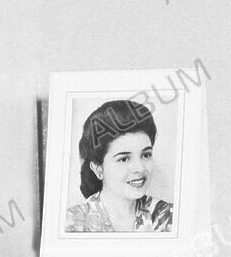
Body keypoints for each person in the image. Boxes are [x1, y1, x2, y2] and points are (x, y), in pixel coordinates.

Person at [65, 99, 173, 233]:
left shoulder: (167, 216)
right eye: (124, 159)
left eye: (146, 155)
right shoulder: (72, 224)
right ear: (98, 168)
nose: (140, 168)